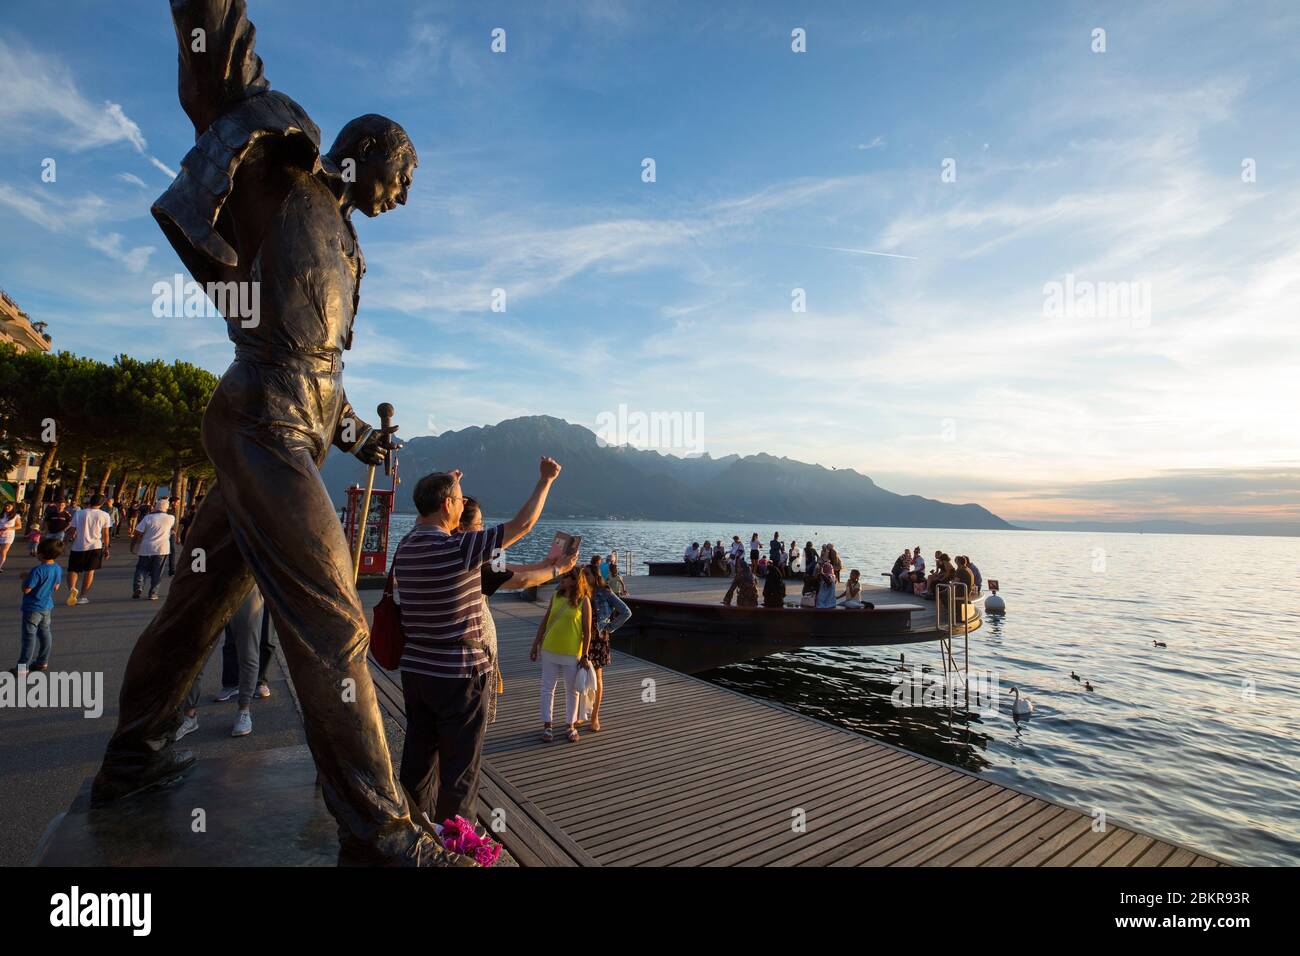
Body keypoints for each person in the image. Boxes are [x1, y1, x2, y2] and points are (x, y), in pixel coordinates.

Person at [93, 0, 454, 868]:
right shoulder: (280, 170)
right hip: (259, 417)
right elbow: (220, 64)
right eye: (401, 175)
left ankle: (132, 760)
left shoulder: (345, 249)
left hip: (286, 423)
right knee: (336, 619)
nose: (402, 197)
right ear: (367, 150)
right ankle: (382, 832)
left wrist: (359, 437)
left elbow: (319, 372)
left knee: (194, 610)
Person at [395, 459, 562, 830]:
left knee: (419, 761)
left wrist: (449, 484)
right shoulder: (461, 550)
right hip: (460, 676)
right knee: (460, 771)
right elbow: (523, 525)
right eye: (457, 499)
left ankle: (411, 833)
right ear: (447, 506)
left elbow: (431, 511)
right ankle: (457, 845)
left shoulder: (405, 547)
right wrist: (545, 481)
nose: (460, 503)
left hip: (416, 672)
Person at [459, 495, 577, 724]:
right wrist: (557, 570)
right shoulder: (468, 564)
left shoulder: (465, 558)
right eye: (479, 525)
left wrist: (545, 564)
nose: (483, 530)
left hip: (470, 660)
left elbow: (509, 570)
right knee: (465, 739)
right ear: (463, 528)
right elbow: (520, 581)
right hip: (468, 665)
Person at [529, 567, 592, 743]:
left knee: (572, 691)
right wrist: (535, 644)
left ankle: (570, 725)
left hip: (572, 652)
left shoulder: (583, 601)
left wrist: (585, 655)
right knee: (547, 688)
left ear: (575, 581)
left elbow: (587, 632)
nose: (562, 580)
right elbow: (545, 621)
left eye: (565, 577)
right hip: (550, 649)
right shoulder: (556, 597)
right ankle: (547, 725)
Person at [584, 560, 630, 732]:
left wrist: (608, 627)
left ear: (595, 576)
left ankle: (595, 716)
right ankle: (582, 714)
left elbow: (626, 611)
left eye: (587, 574)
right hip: (581, 638)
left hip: (598, 639)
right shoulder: (580, 592)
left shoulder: (605, 592)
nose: (584, 577)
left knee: (597, 677)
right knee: (579, 677)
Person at [16, 538, 64, 676]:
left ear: (41, 554)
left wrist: (25, 579)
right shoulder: (57, 568)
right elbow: (56, 587)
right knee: (45, 634)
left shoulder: (37, 570)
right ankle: (42, 661)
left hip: (32, 607)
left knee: (29, 638)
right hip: (46, 606)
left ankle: (22, 667)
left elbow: (26, 589)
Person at [65, 493, 112, 606]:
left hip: (78, 545)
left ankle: (72, 588)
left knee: (73, 570)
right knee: (90, 571)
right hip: (95, 546)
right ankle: (83, 596)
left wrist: (65, 542)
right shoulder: (104, 515)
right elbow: (105, 533)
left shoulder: (79, 513)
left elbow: (72, 530)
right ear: (101, 503)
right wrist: (106, 547)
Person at [131, 500, 175, 600]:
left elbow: (137, 532)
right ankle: (153, 593)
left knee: (141, 568)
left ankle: (138, 586)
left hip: (146, 547)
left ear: (155, 507)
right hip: (162, 549)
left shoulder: (148, 518)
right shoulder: (171, 518)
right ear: (166, 508)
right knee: (157, 571)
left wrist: (133, 545)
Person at [0, 501, 21, 572]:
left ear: (13, 507)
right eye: (6, 506)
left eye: (9, 506)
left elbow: (19, 526)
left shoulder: (16, 516)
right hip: (0, 533)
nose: (7, 507)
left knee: (3, 551)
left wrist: (9, 528)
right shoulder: (1, 514)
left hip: (8, 535)